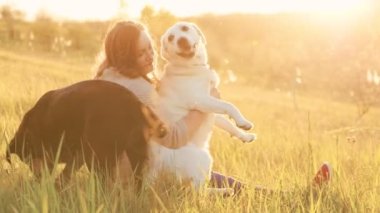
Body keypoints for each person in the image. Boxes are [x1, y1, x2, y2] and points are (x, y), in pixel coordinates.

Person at [93, 20, 332, 194]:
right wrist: (204, 105)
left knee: (211, 175)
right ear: (125, 56)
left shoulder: (108, 78)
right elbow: (173, 137)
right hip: (138, 177)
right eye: (140, 53)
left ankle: (287, 195)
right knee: (206, 173)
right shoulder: (139, 92)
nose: (150, 57)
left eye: (150, 49)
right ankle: (292, 197)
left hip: (124, 172)